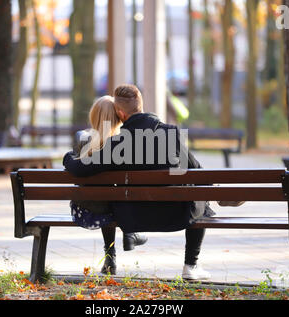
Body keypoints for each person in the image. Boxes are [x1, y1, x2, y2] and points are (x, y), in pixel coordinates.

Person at [64, 85, 217, 280]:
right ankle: (191, 265)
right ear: (141, 106)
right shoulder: (172, 133)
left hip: (131, 218)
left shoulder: (116, 144)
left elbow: (79, 169)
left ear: (120, 113)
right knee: (199, 194)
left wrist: (68, 156)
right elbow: (199, 172)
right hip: (176, 214)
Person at [68, 95, 147, 275]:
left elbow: (76, 171)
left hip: (87, 209)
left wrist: (68, 157)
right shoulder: (124, 144)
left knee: (106, 197)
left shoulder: (83, 140)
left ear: (94, 116)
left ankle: (110, 254)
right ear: (118, 117)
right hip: (119, 210)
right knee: (118, 195)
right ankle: (129, 233)